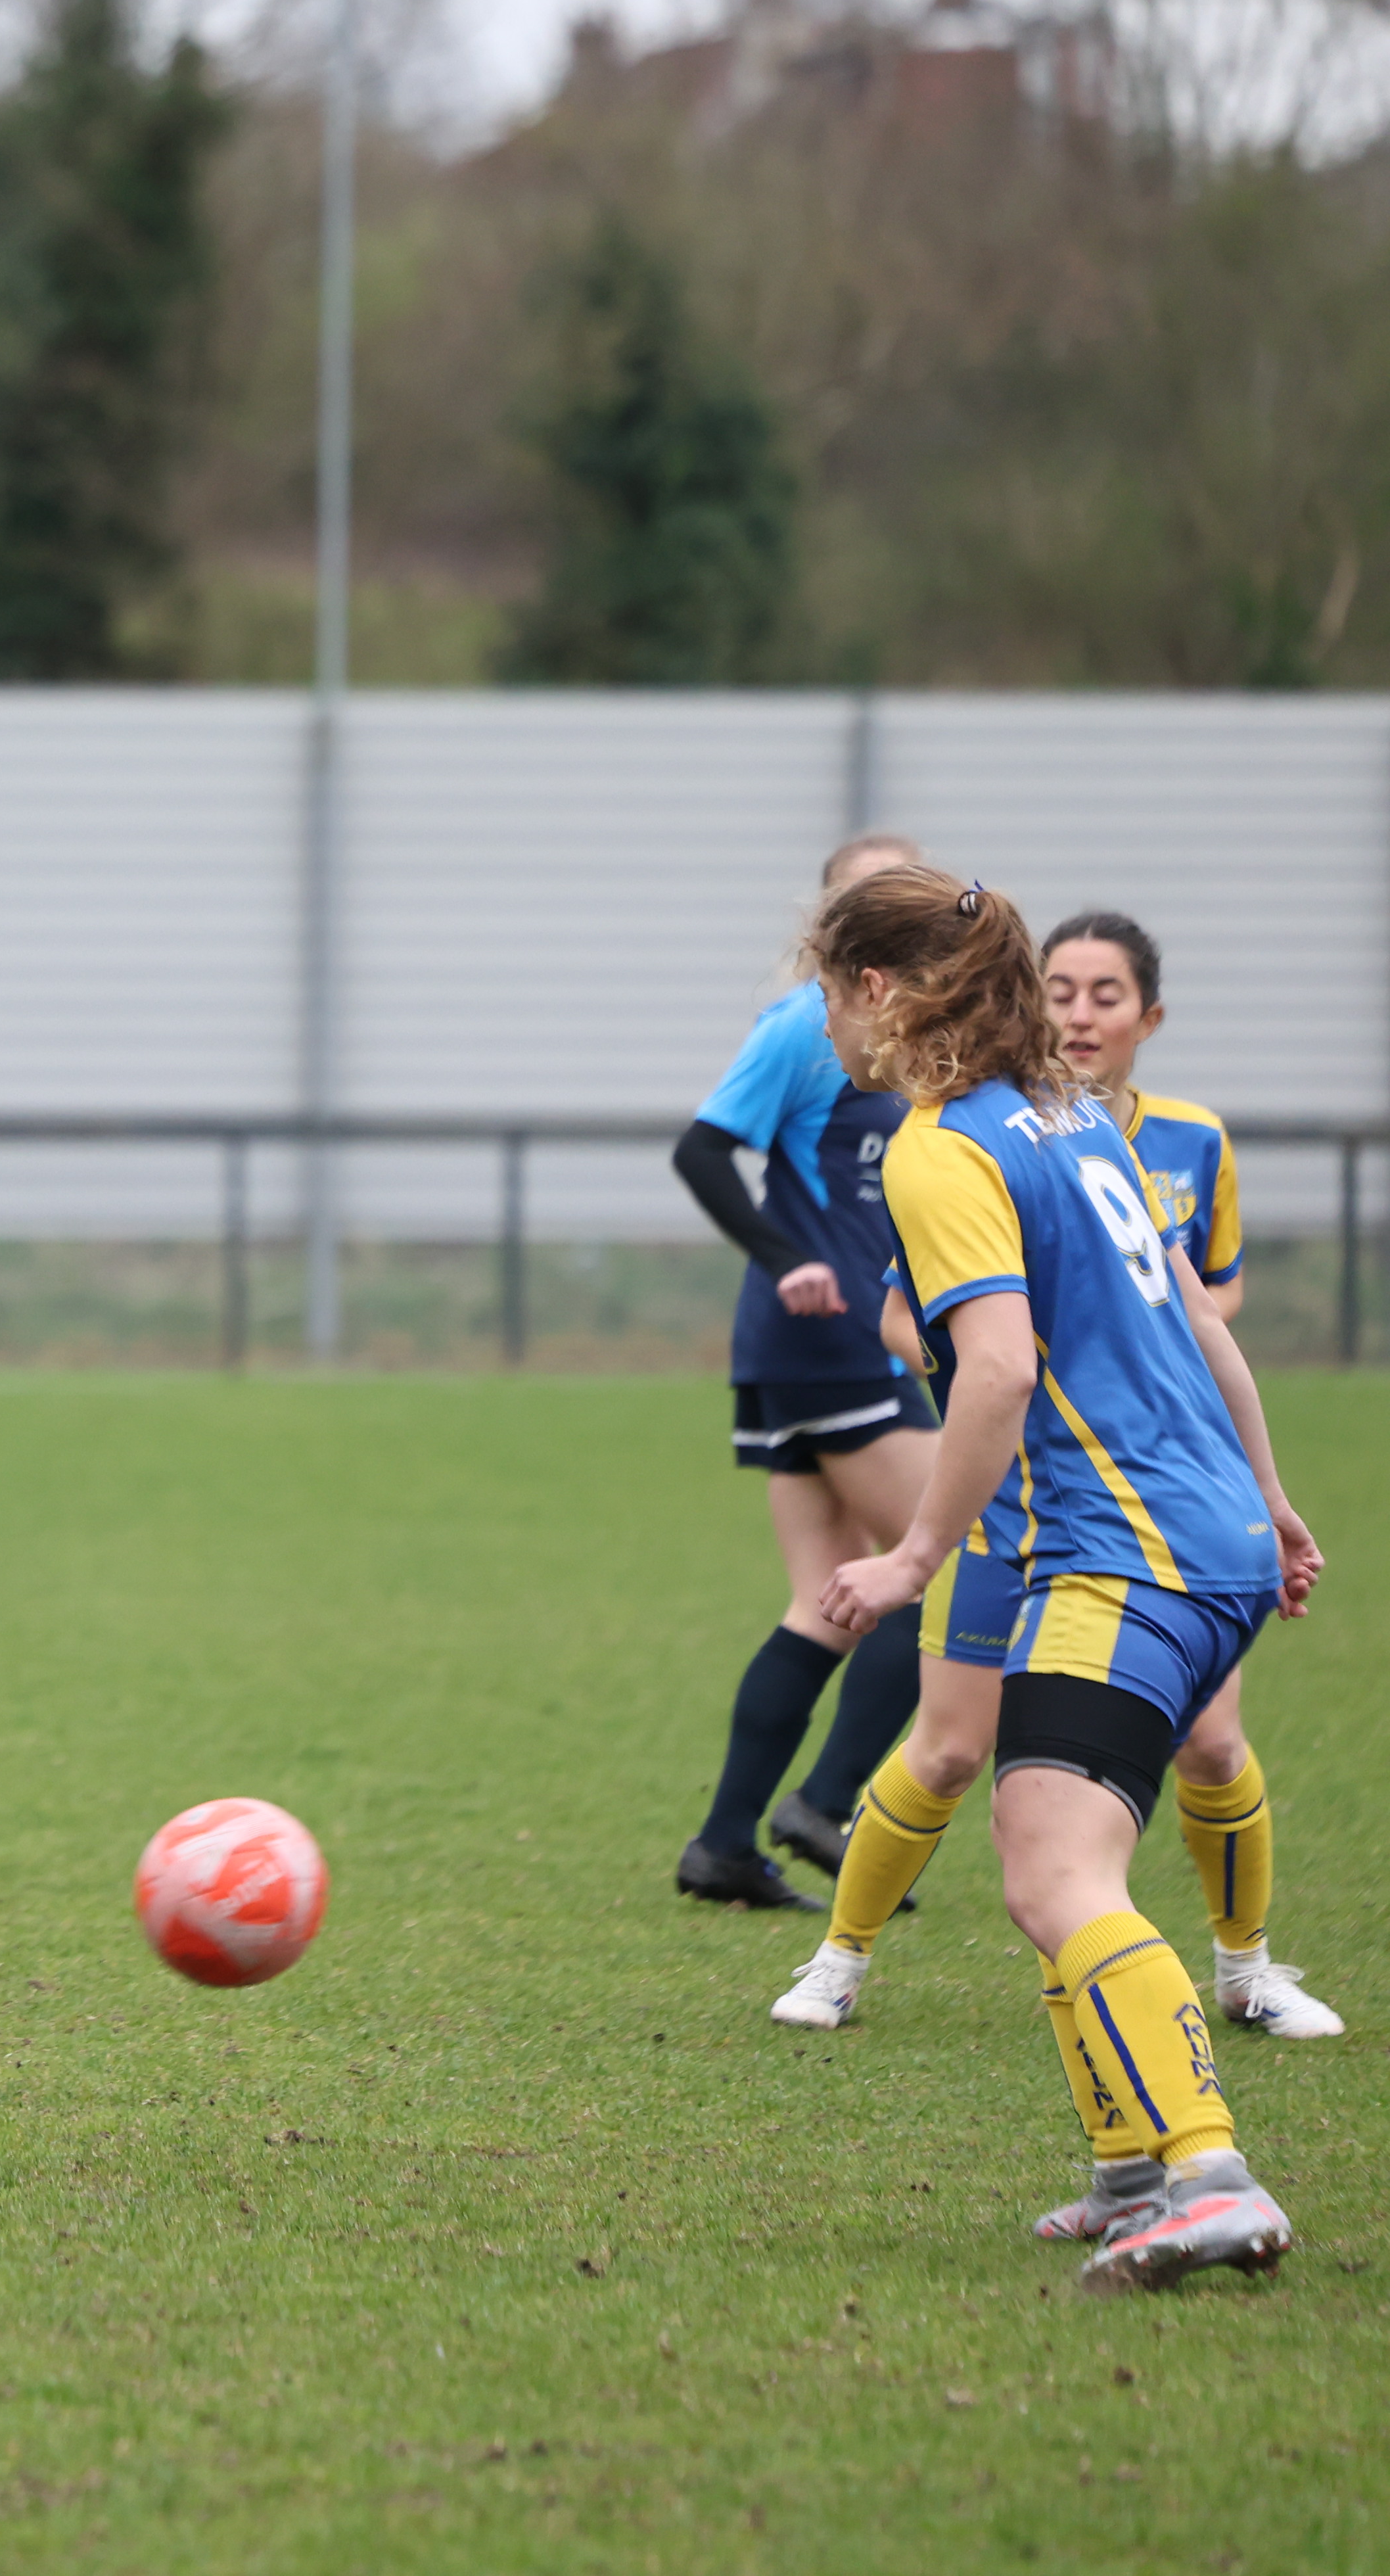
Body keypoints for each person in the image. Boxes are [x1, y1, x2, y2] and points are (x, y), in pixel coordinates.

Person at [814, 865, 1321, 2293]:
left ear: (875, 991)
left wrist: (917, 1552)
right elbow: (1210, 1337)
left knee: (1055, 1867)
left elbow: (999, 1365)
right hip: (1201, 1530)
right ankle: (1126, 2168)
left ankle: (1209, 2173)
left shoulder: (941, 1144)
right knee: (1047, 1842)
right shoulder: (1080, 1118)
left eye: (828, 992)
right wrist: (1272, 1501)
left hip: (1125, 1546)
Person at [664, 833, 937, 1909]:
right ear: (829, 930)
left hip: (831, 1348)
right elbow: (699, 1150)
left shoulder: (911, 1041)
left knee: (827, 1605)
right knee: (946, 1566)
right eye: (867, 898)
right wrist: (793, 1261)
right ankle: (826, 1803)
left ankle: (725, 1846)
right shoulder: (803, 1027)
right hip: (827, 1344)